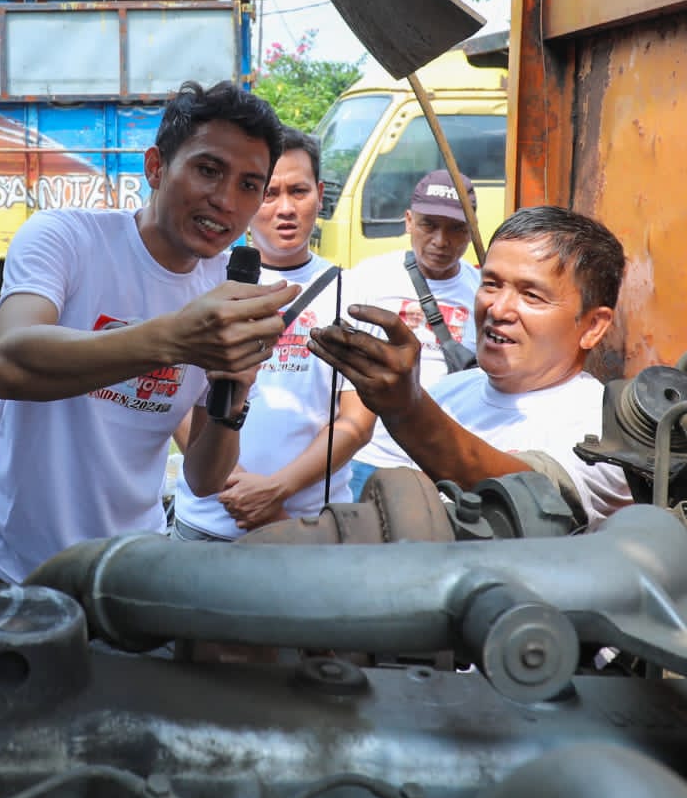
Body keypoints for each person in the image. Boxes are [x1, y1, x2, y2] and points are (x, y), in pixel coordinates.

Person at [0, 80, 299, 584]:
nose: (224, 199)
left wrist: (234, 397)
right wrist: (176, 339)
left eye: (248, 184)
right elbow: (11, 364)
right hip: (0, 561)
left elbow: (203, 478)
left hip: (125, 571)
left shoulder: (226, 290)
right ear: (156, 167)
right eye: (208, 170)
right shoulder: (65, 237)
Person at [309, 205, 633, 528]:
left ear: (593, 326)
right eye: (491, 284)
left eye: (531, 295)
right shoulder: (447, 393)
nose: (498, 308)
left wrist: (407, 411)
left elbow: (529, 496)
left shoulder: (604, 432)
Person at [170, 128, 375, 540]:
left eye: (299, 191)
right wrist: (233, 485)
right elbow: (175, 396)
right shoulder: (204, 282)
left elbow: (357, 421)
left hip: (305, 529)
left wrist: (276, 492)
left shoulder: (351, 293)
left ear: (319, 194)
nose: (286, 209)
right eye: (269, 193)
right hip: (206, 522)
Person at [339, 169, 483, 498]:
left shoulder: (484, 293)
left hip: (445, 466)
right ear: (408, 221)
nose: (441, 241)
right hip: (371, 462)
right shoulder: (367, 279)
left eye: (457, 229)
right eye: (428, 225)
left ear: (472, 230)